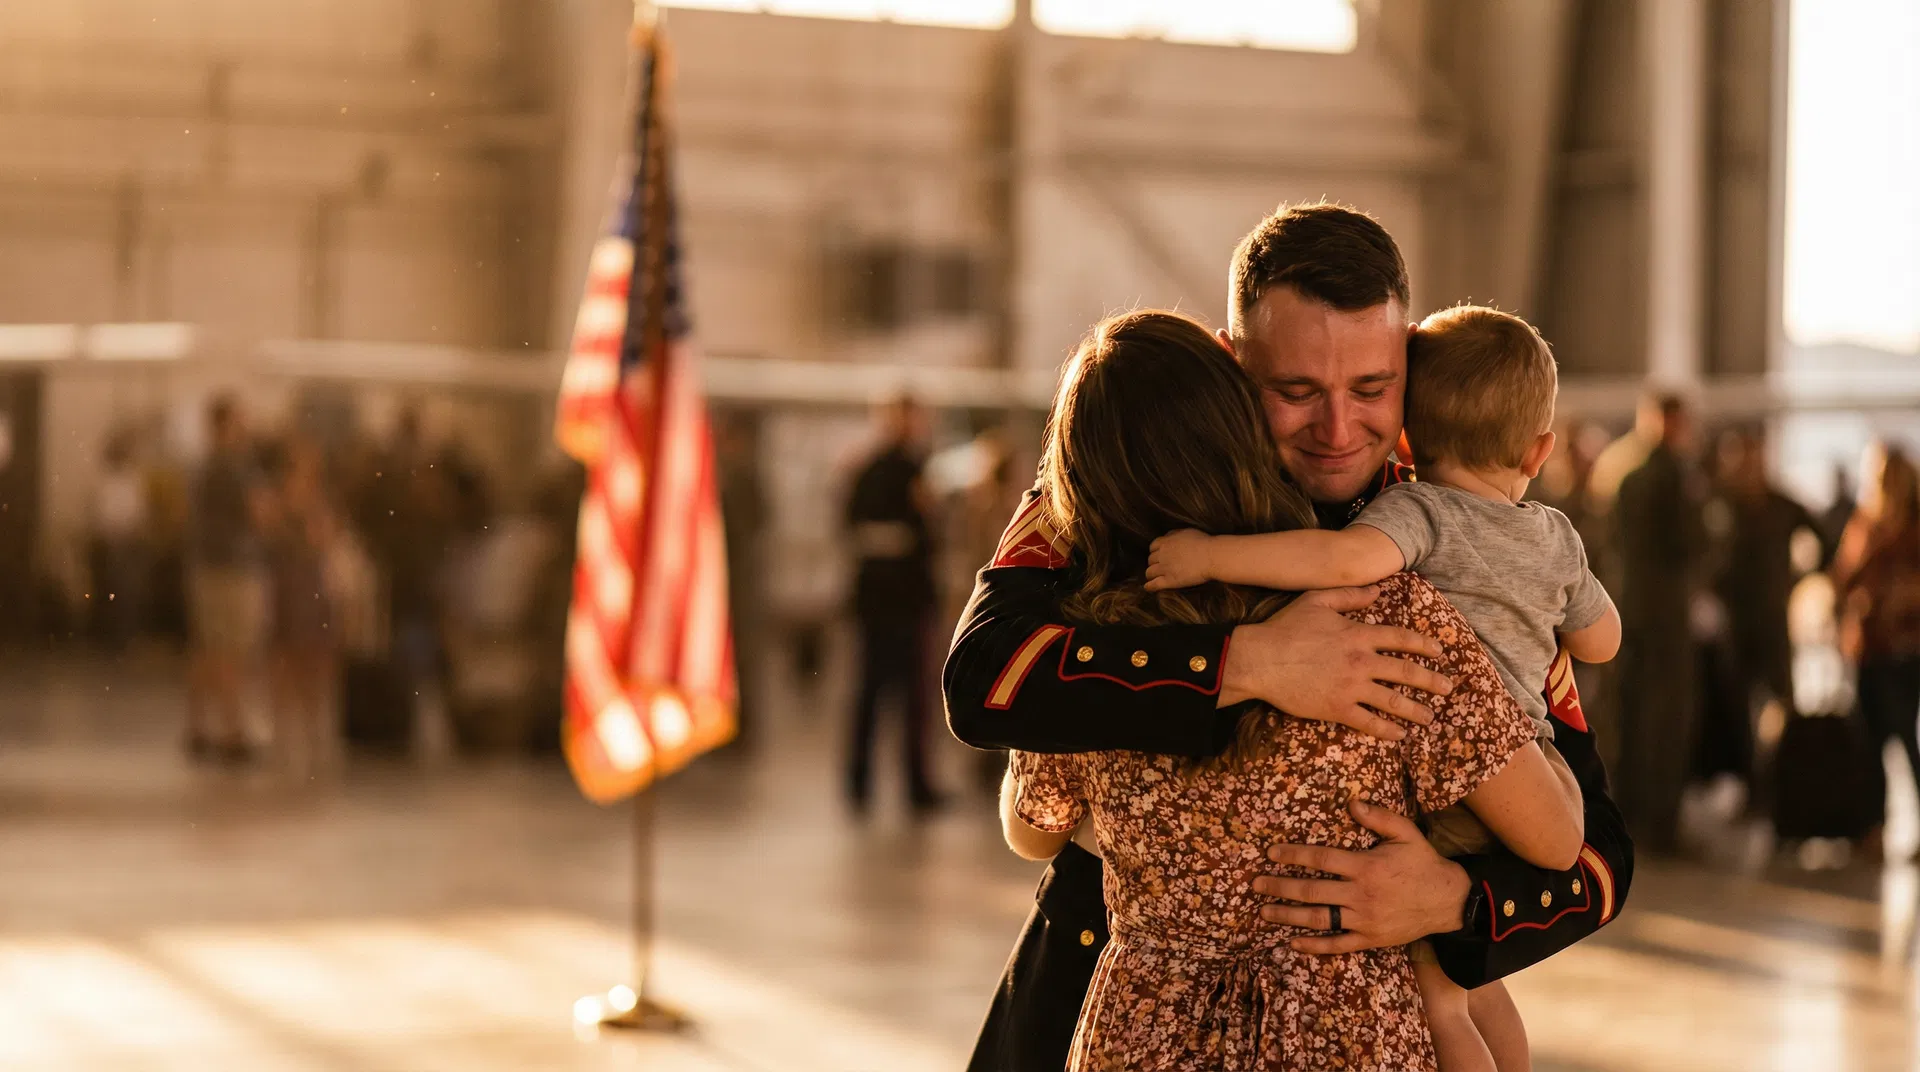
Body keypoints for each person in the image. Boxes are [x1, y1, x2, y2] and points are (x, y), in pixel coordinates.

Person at [948, 202, 1633, 1072]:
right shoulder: (1119, 502)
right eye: (1296, 391)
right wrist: (1243, 664)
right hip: (1099, 983)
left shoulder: (1460, 546)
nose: (1338, 430)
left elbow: (1595, 842)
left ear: (1411, 367)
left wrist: (1456, 900)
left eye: (1373, 390)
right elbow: (984, 678)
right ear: (1235, 364)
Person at [1145, 305, 1618, 1070]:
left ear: (1405, 435)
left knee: (1438, 1000)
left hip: (1456, 782)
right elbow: (1603, 639)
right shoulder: (1556, 535)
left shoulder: (1417, 509)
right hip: (1537, 759)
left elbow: (1339, 564)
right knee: (1481, 982)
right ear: (1541, 448)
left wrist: (1210, 557)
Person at [1698, 427, 1822, 794]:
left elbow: (1823, 537)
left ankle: (1787, 786)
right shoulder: (1722, 505)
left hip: (1772, 620)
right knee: (1738, 712)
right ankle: (1753, 787)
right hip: (1735, 624)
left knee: (1784, 704)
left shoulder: (1782, 504)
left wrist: (1800, 579)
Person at [1610, 394, 1705, 853]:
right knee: (1666, 722)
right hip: (1665, 618)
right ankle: (1662, 826)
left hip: (1625, 613)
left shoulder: (1620, 471)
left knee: (1628, 717)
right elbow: (1691, 542)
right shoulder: (1672, 475)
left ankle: (1629, 819)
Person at [844, 394, 945, 813]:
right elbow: (855, 526)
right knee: (873, 693)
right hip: (885, 601)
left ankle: (911, 785)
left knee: (912, 699)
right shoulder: (872, 471)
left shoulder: (915, 469)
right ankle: (863, 782)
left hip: (904, 600)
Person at [1831, 442, 1920, 856]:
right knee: (1871, 741)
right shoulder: (1865, 523)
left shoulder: (1915, 525)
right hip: (1869, 646)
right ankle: (1873, 829)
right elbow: (1843, 578)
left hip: (1907, 648)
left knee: (1905, 739)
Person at [185, 394, 270, 762]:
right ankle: (233, 729)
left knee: (207, 647)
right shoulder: (236, 466)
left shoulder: (203, 466)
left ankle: (198, 726)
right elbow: (261, 513)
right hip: (232, 568)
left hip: (206, 565)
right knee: (231, 650)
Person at [265, 437, 341, 779]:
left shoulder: (318, 503)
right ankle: (285, 738)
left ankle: (313, 736)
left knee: (315, 663)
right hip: (290, 584)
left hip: (310, 586)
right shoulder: (281, 503)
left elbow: (324, 540)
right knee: (286, 664)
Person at [91, 429, 151, 652]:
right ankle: (116, 639)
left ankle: (128, 637)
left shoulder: (132, 479)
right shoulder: (106, 481)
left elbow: (139, 511)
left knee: (132, 591)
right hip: (113, 543)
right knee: (118, 591)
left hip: (132, 541)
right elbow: (104, 516)